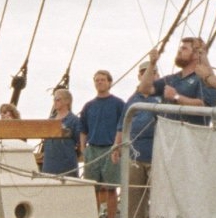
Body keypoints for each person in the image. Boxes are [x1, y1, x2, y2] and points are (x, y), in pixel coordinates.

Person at [137, 37, 216, 126]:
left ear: (197, 54)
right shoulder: (172, 78)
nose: (179, 51)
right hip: (165, 134)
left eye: (184, 48)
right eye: (180, 48)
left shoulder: (206, 78)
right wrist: (152, 64)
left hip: (190, 135)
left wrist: (176, 97)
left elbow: (205, 106)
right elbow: (144, 89)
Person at [79, 70, 124, 218]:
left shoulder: (118, 104)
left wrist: (118, 147)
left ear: (109, 82)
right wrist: (83, 149)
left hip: (111, 149)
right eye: (97, 80)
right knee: (93, 188)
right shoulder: (89, 106)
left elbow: (124, 126)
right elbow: (83, 129)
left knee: (111, 188)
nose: (99, 82)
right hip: (92, 149)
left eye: (103, 80)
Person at [126, 63, 161, 218]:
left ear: (157, 75)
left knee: (160, 196)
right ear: (140, 76)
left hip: (158, 153)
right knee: (134, 197)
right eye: (145, 73)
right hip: (135, 154)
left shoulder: (163, 97)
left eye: (152, 72)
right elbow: (122, 124)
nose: (149, 75)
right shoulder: (132, 99)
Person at [40, 89, 80, 176]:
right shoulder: (50, 121)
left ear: (67, 101)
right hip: (49, 164)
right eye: (54, 100)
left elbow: (80, 141)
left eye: (58, 99)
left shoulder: (74, 121)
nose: (55, 102)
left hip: (66, 164)